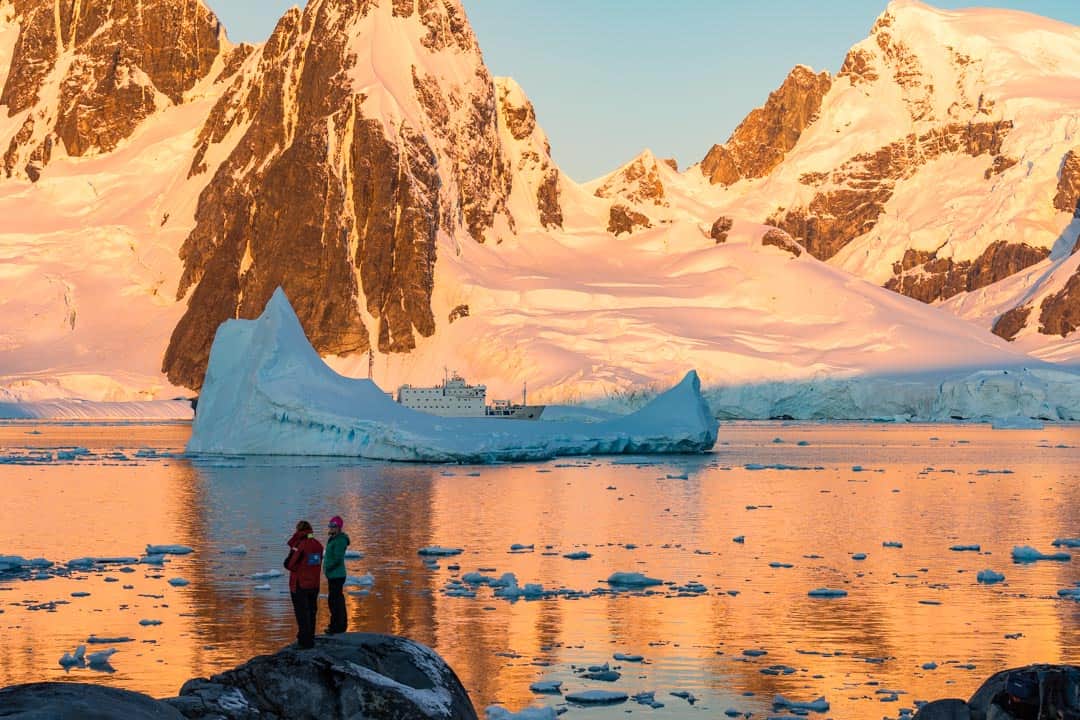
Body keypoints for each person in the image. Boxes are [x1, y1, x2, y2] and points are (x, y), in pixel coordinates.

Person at [285, 520, 323, 649]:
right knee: (312, 611)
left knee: (301, 613)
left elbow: (290, 564)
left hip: (300, 584)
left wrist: (295, 542)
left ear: (299, 531)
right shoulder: (317, 544)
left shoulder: (300, 545)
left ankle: (304, 641)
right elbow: (315, 562)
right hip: (314, 584)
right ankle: (310, 637)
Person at [323, 515, 351, 634]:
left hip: (337, 575)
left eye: (333, 526)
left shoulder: (340, 540)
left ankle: (337, 627)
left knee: (335, 602)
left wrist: (328, 567)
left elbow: (338, 558)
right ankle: (337, 625)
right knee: (334, 600)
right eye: (330, 525)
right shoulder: (333, 538)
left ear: (338, 527)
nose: (331, 528)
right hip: (333, 575)